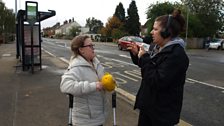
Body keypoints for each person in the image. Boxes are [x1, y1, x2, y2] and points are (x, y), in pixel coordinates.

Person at [128, 9, 189, 126]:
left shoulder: (176, 55)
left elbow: (156, 80)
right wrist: (137, 55)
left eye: (155, 29)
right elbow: (148, 69)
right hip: (149, 108)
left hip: (161, 115)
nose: (151, 32)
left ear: (166, 32)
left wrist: (145, 57)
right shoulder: (157, 48)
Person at [60, 35, 109, 126]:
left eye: (93, 45)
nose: (93, 48)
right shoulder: (76, 66)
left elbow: (101, 80)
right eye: (90, 46)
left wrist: (108, 83)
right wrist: (94, 86)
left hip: (98, 116)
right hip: (85, 121)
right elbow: (65, 85)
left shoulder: (95, 62)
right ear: (81, 50)